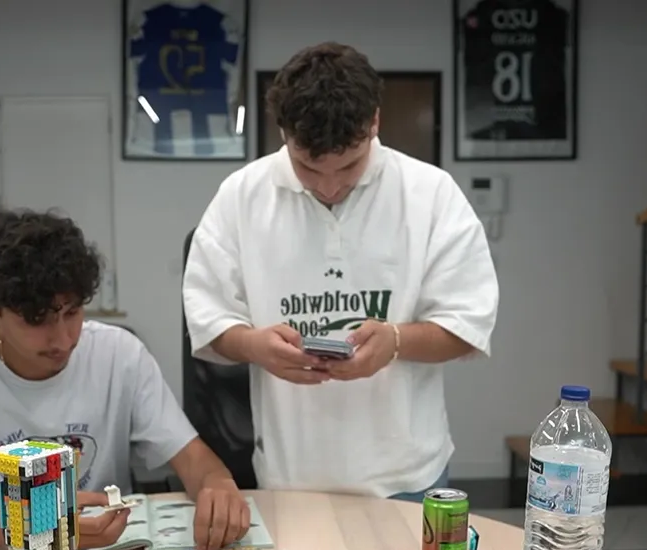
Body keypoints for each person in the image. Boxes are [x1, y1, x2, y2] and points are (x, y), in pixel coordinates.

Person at [182, 42, 499, 501]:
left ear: (375, 122)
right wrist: (253, 346)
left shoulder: (431, 194)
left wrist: (395, 342)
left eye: (349, 166)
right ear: (283, 133)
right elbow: (208, 320)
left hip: (407, 478)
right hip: (289, 478)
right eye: (308, 168)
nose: (329, 186)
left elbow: (468, 327)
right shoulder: (241, 197)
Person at [0, 208, 250, 550]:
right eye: (37, 320)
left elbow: (193, 458)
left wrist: (217, 484)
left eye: (73, 312)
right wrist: (38, 523)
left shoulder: (119, 353)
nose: (62, 340)